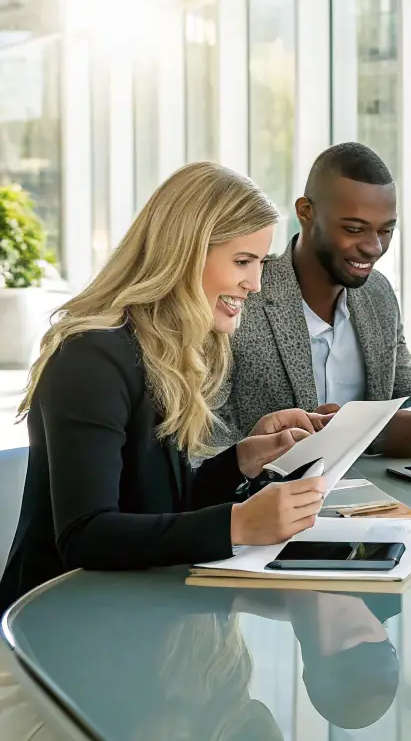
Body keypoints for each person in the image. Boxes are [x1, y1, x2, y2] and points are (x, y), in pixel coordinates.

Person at [0, 162, 328, 610]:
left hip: (129, 607)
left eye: (260, 263)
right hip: (55, 622)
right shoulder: (91, 358)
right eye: (242, 261)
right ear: (186, 253)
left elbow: (155, 505)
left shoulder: (165, 347)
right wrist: (237, 524)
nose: (254, 284)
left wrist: (242, 460)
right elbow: (86, 534)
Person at [217, 143, 411, 458]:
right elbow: (206, 442)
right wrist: (368, 432)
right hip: (268, 486)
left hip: (376, 487)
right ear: (306, 212)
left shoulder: (378, 293)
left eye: (386, 231)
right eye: (354, 229)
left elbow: (408, 392)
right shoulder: (241, 298)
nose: (373, 247)